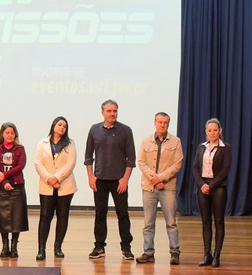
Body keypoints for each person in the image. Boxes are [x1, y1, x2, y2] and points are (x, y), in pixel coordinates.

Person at [84, 99, 136, 259]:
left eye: (115, 111)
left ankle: (126, 247)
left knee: (123, 214)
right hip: (99, 180)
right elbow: (88, 156)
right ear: (102, 112)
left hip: (119, 181)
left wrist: (125, 179)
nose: (113, 114)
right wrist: (91, 177)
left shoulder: (126, 130)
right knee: (100, 214)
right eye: (109, 111)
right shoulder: (94, 129)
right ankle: (99, 246)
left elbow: (131, 159)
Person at [136, 112, 184, 265]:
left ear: (168, 124)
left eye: (165, 122)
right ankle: (148, 253)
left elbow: (177, 164)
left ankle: (175, 253)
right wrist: (154, 180)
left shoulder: (176, 141)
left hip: (167, 187)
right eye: (160, 122)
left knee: (171, 222)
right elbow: (141, 162)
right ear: (155, 123)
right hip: (149, 187)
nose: (163, 125)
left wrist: (161, 178)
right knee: (148, 223)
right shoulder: (146, 141)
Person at [34, 116, 77, 260]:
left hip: (65, 185)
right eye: (60, 125)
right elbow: (38, 163)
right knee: (45, 216)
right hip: (47, 185)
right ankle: (41, 249)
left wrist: (57, 178)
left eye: (65, 126)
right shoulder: (42, 143)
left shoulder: (70, 144)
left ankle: (58, 248)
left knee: (62, 216)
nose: (62, 127)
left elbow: (70, 164)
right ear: (53, 126)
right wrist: (49, 179)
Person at [192, 118, 232, 267]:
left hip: (218, 187)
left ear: (220, 131)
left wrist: (212, 185)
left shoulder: (225, 148)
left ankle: (217, 255)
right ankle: (207, 254)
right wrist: (202, 185)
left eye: (215, 130)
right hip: (203, 186)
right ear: (206, 132)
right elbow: (195, 167)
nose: (212, 133)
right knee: (206, 222)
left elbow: (225, 170)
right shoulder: (201, 147)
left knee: (219, 221)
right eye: (210, 130)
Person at [0, 122, 29, 258]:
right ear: (2, 134)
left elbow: (20, 166)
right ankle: (5, 246)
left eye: (12, 133)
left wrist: (5, 176)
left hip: (17, 187)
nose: (10, 135)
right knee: (3, 218)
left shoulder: (20, 149)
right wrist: (4, 182)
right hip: (1, 187)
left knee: (17, 218)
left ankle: (14, 247)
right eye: (7, 133)